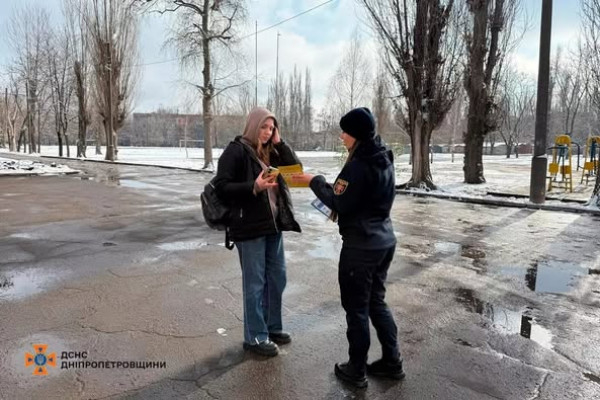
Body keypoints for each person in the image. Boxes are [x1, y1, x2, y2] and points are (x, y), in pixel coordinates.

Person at [293, 107, 404, 388]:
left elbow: (339, 202)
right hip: (384, 242)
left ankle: (356, 370)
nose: (341, 136)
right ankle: (392, 362)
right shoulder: (383, 158)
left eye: (344, 131)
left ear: (355, 134)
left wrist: (313, 181)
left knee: (356, 309)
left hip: (361, 249)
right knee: (376, 302)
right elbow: (355, 196)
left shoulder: (358, 164)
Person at [214, 107, 301, 357]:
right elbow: (222, 188)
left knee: (277, 279)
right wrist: (253, 187)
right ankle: (254, 337)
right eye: (264, 127)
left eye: (271, 128)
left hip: (273, 226)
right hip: (249, 228)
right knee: (255, 284)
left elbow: (294, 169)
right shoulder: (236, 151)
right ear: (253, 125)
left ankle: (272, 327)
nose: (267, 132)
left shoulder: (270, 151)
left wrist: (279, 142)